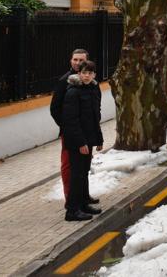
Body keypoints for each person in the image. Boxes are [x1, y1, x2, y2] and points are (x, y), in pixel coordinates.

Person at [61, 60, 104, 221]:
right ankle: (72, 211)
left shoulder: (92, 89)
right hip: (77, 142)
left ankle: (83, 204)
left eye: (90, 73)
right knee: (76, 175)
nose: (86, 76)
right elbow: (71, 120)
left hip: (88, 139)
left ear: (94, 75)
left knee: (83, 173)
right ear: (79, 74)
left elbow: (95, 117)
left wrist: (98, 140)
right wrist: (81, 143)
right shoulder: (73, 92)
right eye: (84, 73)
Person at [50, 48, 94, 204]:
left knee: (84, 166)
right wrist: (67, 127)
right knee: (69, 165)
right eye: (75, 59)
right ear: (71, 61)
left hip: (86, 132)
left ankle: (83, 196)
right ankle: (71, 199)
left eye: (81, 60)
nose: (77, 63)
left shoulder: (88, 80)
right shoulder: (64, 81)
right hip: (71, 132)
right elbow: (54, 109)